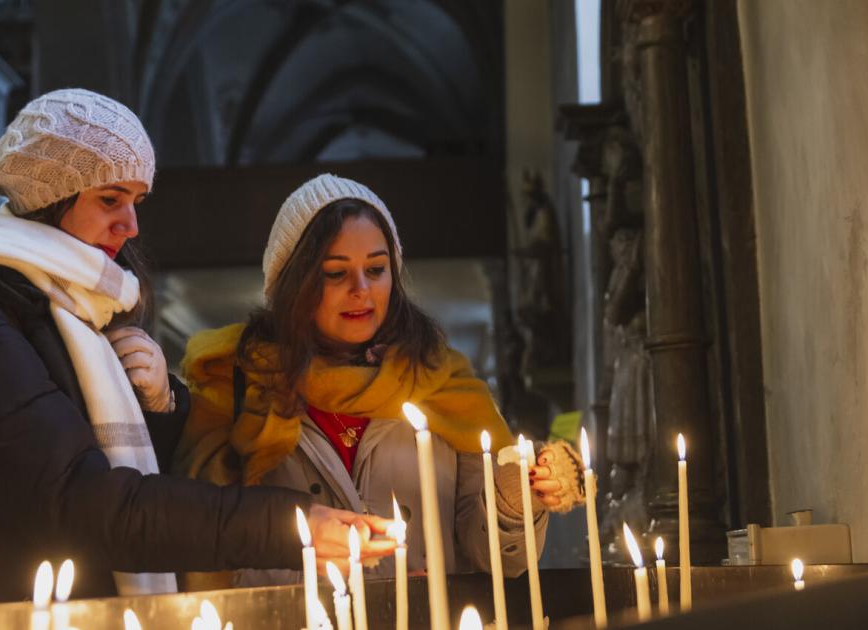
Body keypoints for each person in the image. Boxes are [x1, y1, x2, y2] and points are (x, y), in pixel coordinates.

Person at [0, 90, 393, 608]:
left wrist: (164, 406)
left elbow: (113, 468)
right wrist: (292, 525)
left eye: (137, 201)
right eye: (110, 199)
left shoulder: (73, 310)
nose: (131, 225)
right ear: (52, 194)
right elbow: (82, 501)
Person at [175, 174, 586, 588]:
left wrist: (514, 500)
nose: (362, 289)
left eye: (376, 268)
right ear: (293, 284)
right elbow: (203, 545)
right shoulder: (234, 384)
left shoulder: (441, 381)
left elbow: (500, 562)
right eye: (336, 273)